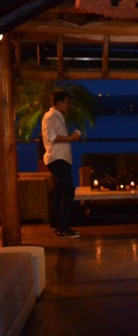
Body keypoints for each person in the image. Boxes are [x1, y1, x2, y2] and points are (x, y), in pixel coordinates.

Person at [41, 90, 82, 238]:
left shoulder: (58, 117)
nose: (68, 106)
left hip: (61, 158)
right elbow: (51, 137)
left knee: (60, 192)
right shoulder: (51, 116)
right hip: (57, 158)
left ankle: (59, 226)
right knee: (68, 191)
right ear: (59, 103)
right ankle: (63, 227)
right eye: (66, 103)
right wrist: (71, 138)